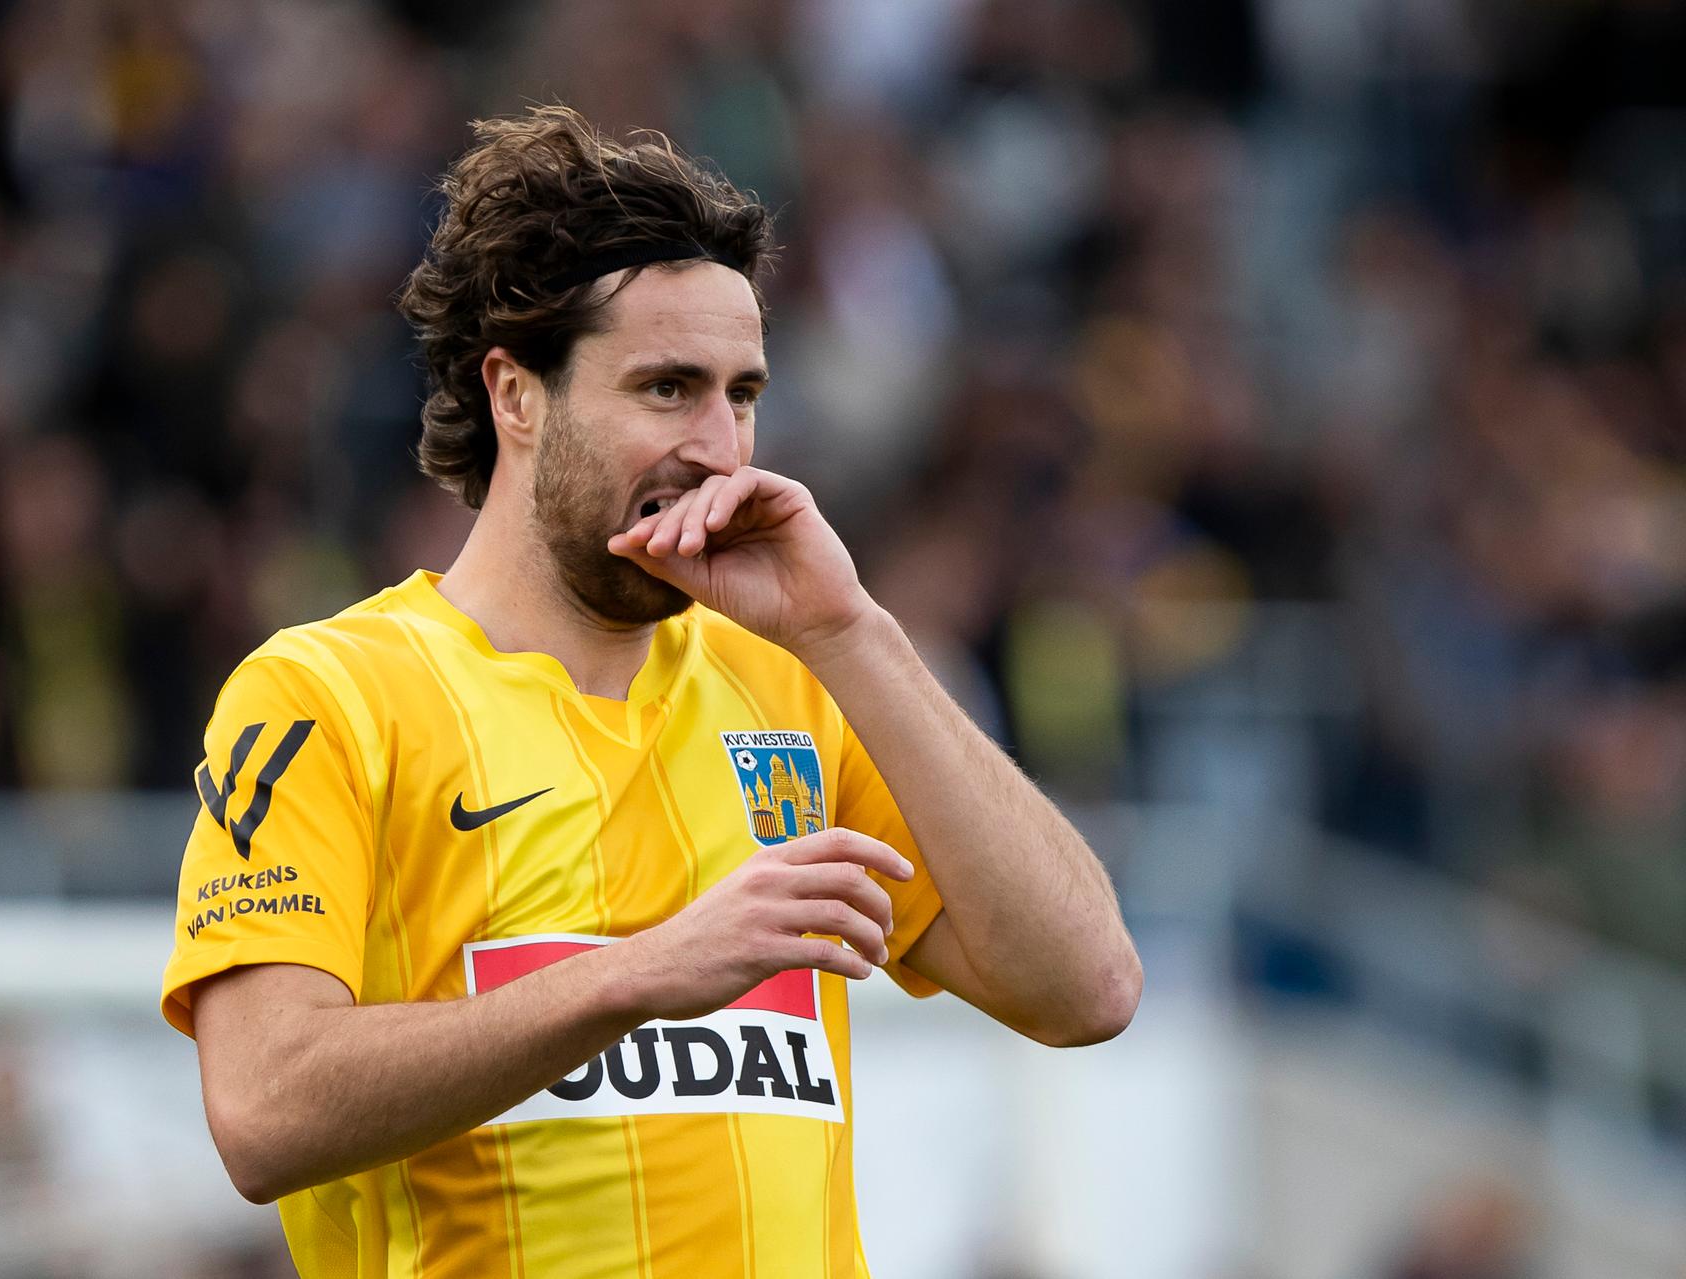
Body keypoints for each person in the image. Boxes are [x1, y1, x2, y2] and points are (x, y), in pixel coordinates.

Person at [161, 104, 1140, 1278]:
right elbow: (263, 1111)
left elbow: (1086, 986)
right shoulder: (329, 694)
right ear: (516, 395)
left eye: (744, 393)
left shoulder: (794, 681)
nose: (724, 448)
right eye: (668, 389)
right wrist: (638, 972)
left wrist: (853, 627)